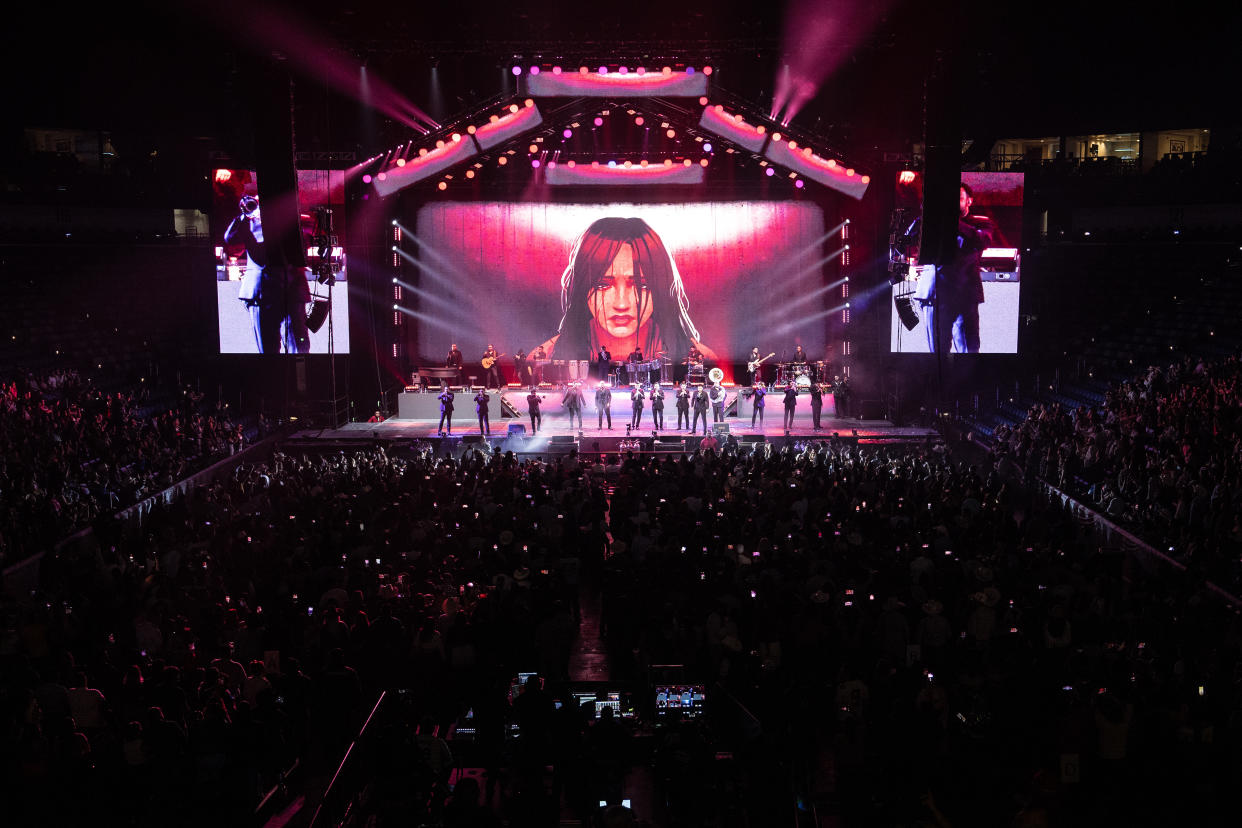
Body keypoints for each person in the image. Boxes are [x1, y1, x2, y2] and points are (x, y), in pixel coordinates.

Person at [532, 217, 717, 364]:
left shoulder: (699, 357)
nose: (621, 303)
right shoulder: (546, 355)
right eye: (602, 285)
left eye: (641, 285)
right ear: (583, 287)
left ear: (660, 287)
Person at [224, 194, 311, 354]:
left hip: (292, 292)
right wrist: (246, 213)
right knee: (268, 351)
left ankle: (300, 377)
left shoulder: (295, 222)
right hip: (262, 294)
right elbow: (230, 239)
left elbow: (308, 236)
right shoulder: (249, 222)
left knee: (300, 348)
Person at [921, 182, 991, 354]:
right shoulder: (932, 222)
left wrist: (952, 222)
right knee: (937, 353)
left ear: (969, 201)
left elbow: (982, 240)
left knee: (968, 351)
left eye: (958, 199)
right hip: (935, 292)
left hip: (965, 292)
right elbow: (907, 241)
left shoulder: (980, 223)